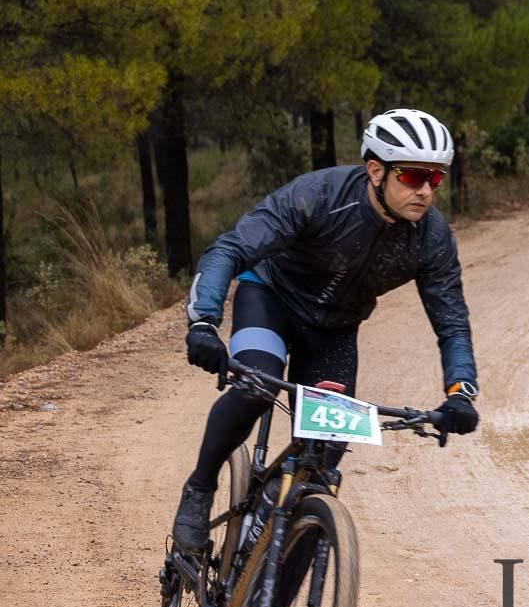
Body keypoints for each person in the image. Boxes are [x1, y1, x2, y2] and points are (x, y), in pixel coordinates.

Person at [172, 108, 480, 552]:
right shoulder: (319, 195)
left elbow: (451, 322)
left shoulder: (431, 238)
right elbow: (230, 248)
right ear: (376, 170)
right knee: (257, 384)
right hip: (271, 299)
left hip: (333, 330)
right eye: (413, 175)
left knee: (319, 481)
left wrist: (461, 392)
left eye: (437, 179)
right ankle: (199, 488)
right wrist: (203, 322)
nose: (426, 190)